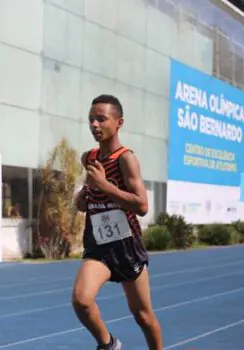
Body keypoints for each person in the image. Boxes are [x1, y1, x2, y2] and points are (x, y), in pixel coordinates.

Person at [72, 94, 163, 350]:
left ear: (119, 122)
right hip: (98, 247)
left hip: (126, 247)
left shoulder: (126, 159)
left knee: (143, 316)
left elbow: (142, 206)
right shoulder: (88, 158)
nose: (94, 125)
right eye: (91, 119)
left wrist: (104, 185)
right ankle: (109, 344)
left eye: (101, 119)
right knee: (81, 300)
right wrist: (87, 190)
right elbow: (81, 205)